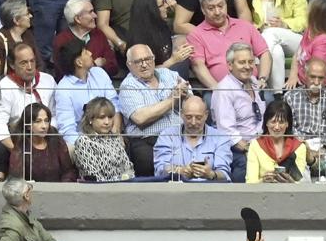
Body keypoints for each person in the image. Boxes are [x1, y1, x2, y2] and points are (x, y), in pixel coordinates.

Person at [187, 0, 272, 91]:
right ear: (203, 10)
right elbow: (198, 66)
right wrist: (218, 90)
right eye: (211, 8)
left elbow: (264, 53)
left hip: (251, 87)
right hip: (218, 90)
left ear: (226, 5)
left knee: (268, 100)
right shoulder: (196, 35)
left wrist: (262, 79)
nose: (217, 12)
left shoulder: (245, 26)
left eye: (220, 6)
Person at [245, 0, 309, 85]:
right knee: (277, 52)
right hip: (265, 38)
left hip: (294, 38)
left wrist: (284, 24)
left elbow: (304, 20)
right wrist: (258, 27)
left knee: (272, 32)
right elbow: (246, 22)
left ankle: (258, 68)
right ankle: (278, 96)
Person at [121, 43, 187, 176]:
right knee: (147, 162)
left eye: (148, 59)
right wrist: (172, 99)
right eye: (138, 61)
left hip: (180, 136)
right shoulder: (128, 86)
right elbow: (140, 118)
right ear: (129, 65)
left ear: (154, 58)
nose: (144, 64)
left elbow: (190, 102)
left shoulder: (169, 75)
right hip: (148, 140)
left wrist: (184, 95)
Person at [210, 41, 266, 182]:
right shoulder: (224, 90)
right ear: (230, 65)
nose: (247, 67)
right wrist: (253, 151)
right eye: (242, 62)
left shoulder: (253, 82)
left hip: (260, 142)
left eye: (250, 62)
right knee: (246, 168)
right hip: (238, 149)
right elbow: (229, 133)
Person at [153, 95, 233, 180]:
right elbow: (160, 169)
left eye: (198, 118)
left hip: (209, 190)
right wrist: (180, 171)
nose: (193, 122)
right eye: (189, 117)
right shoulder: (167, 136)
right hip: (176, 190)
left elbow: (224, 174)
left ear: (206, 115)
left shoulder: (220, 138)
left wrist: (211, 174)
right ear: (181, 114)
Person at [0, 177, 66, 241]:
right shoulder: (11, 227)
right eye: (29, 187)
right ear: (26, 196)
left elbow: (47, 240)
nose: (32, 191)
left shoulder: (26, 215)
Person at [72, 97, 134, 181]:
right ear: (90, 119)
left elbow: (128, 169)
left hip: (122, 188)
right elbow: (94, 177)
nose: (107, 122)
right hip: (98, 191)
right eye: (102, 117)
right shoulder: (84, 142)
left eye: (110, 117)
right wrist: (121, 179)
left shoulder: (115, 138)